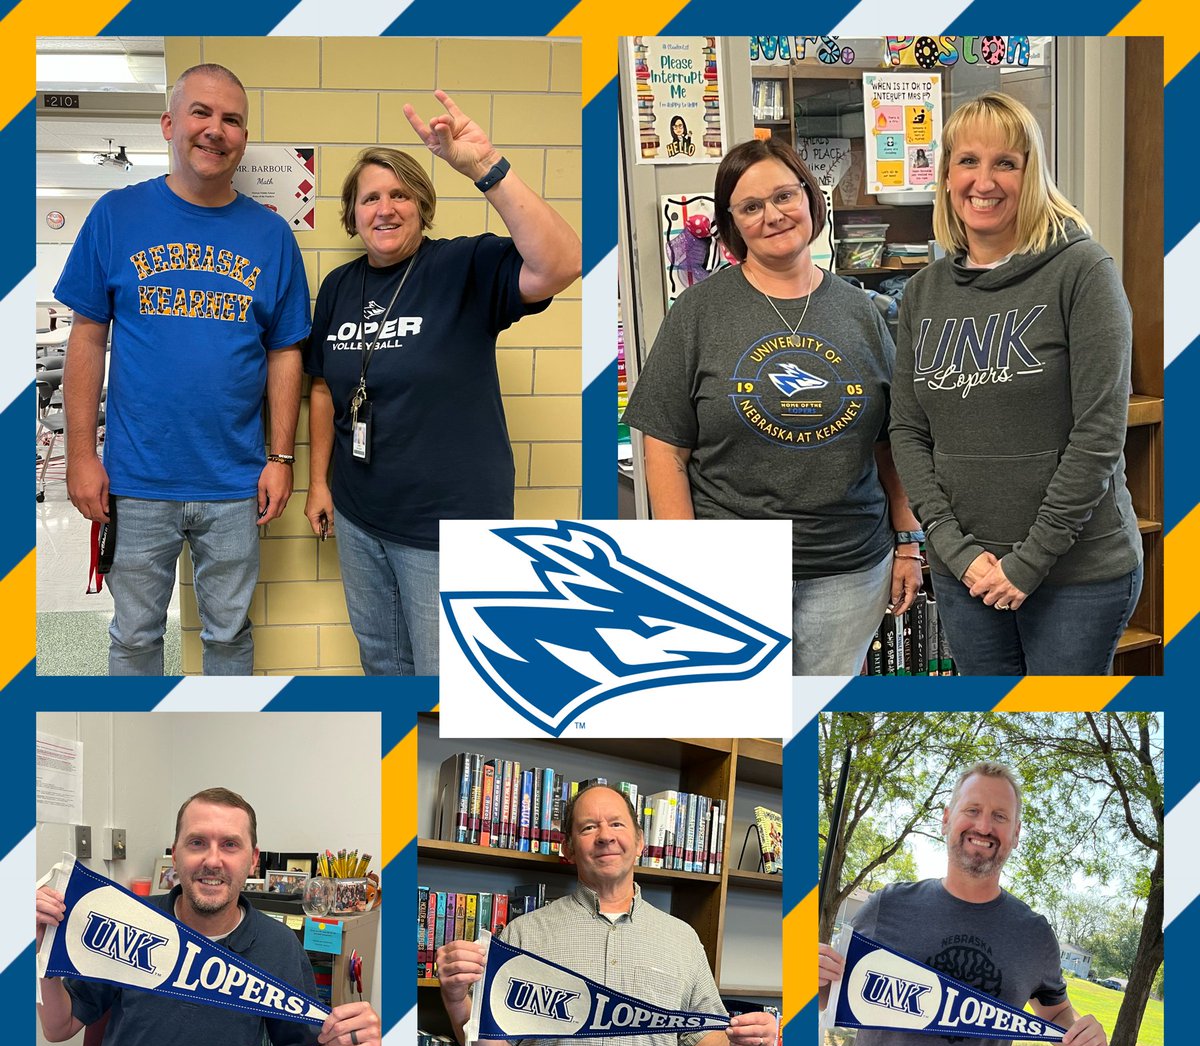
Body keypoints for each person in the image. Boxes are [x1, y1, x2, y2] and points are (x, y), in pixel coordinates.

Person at [303, 91, 582, 676]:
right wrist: (320, 485)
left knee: (446, 676)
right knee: (381, 663)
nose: (385, 208)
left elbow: (561, 263)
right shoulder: (337, 286)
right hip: (359, 517)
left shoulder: (462, 267)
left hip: (446, 526)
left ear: (422, 207)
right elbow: (324, 389)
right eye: (369, 197)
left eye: (400, 194)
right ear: (352, 214)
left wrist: (485, 168)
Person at [622, 137, 923, 675]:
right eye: (751, 207)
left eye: (785, 196)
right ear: (732, 224)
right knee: (738, 722)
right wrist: (680, 564)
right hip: (729, 569)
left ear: (810, 198)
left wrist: (908, 542)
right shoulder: (698, 312)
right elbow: (664, 448)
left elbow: (890, 442)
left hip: (849, 567)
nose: (773, 215)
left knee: (817, 719)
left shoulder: (864, 312)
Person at [55, 63, 310, 676]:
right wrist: (83, 456)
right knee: (135, 638)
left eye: (231, 119)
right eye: (201, 113)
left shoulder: (272, 237)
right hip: (136, 482)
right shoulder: (116, 217)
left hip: (235, 485)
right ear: (170, 124)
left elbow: (286, 353)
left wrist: (280, 458)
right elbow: (87, 339)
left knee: (229, 636)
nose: (215, 129)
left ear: (243, 137)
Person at [889, 92, 1143, 675]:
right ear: (947, 175)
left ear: (1033, 174)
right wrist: (952, 549)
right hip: (966, 574)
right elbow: (907, 430)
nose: (985, 180)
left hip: (1077, 574)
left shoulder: (1084, 272)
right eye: (968, 161)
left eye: (1007, 162)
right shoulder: (923, 292)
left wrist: (1029, 562)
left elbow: (1100, 434)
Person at [36, 788, 382, 1046]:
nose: (212, 860)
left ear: (253, 860)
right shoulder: (130, 921)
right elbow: (59, 1027)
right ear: (176, 853)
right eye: (197, 842)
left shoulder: (278, 946)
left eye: (230, 845)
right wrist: (44, 956)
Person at [436, 785, 778, 1046]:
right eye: (588, 828)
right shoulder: (524, 934)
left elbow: (697, 1043)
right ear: (568, 848)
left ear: (641, 841)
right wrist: (455, 997)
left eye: (617, 823)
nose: (605, 836)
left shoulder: (682, 939)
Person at [817, 762, 1107, 1046]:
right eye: (972, 810)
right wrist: (813, 976)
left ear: (1016, 834)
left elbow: (1056, 1013)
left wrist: (1082, 1035)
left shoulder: (1034, 934)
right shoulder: (888, 906)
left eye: (1000, 816)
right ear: (947, 819)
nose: (984, 826)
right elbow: (826, 996)